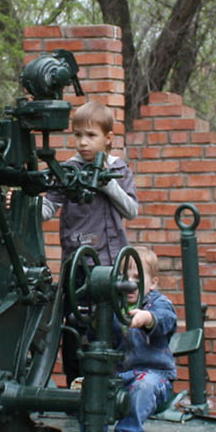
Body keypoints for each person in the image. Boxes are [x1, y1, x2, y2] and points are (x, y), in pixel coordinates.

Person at [42, 99, 139, 382]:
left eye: (91, 135)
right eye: (78, 135)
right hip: (79, 267)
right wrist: (24, 205)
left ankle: (114, 387)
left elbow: (131, 210)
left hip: (112, 266)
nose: (83, 142)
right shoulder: (67, 170)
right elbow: (48, 209)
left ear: (108, 138)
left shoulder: (119, 170)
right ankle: (76, 387)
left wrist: (108, 184)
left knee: (112, 329)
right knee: (75, 331)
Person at [93, 246, 177, 432]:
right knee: (92, 386)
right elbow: (96, 332)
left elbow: (166, 320)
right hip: (121, 374)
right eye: (124, 277)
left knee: (143, 388)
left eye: (137, 277)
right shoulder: (113, 306)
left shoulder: (158, 303)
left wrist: (148, 318)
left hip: (155, 374)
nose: (129, 283)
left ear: (153, 283)